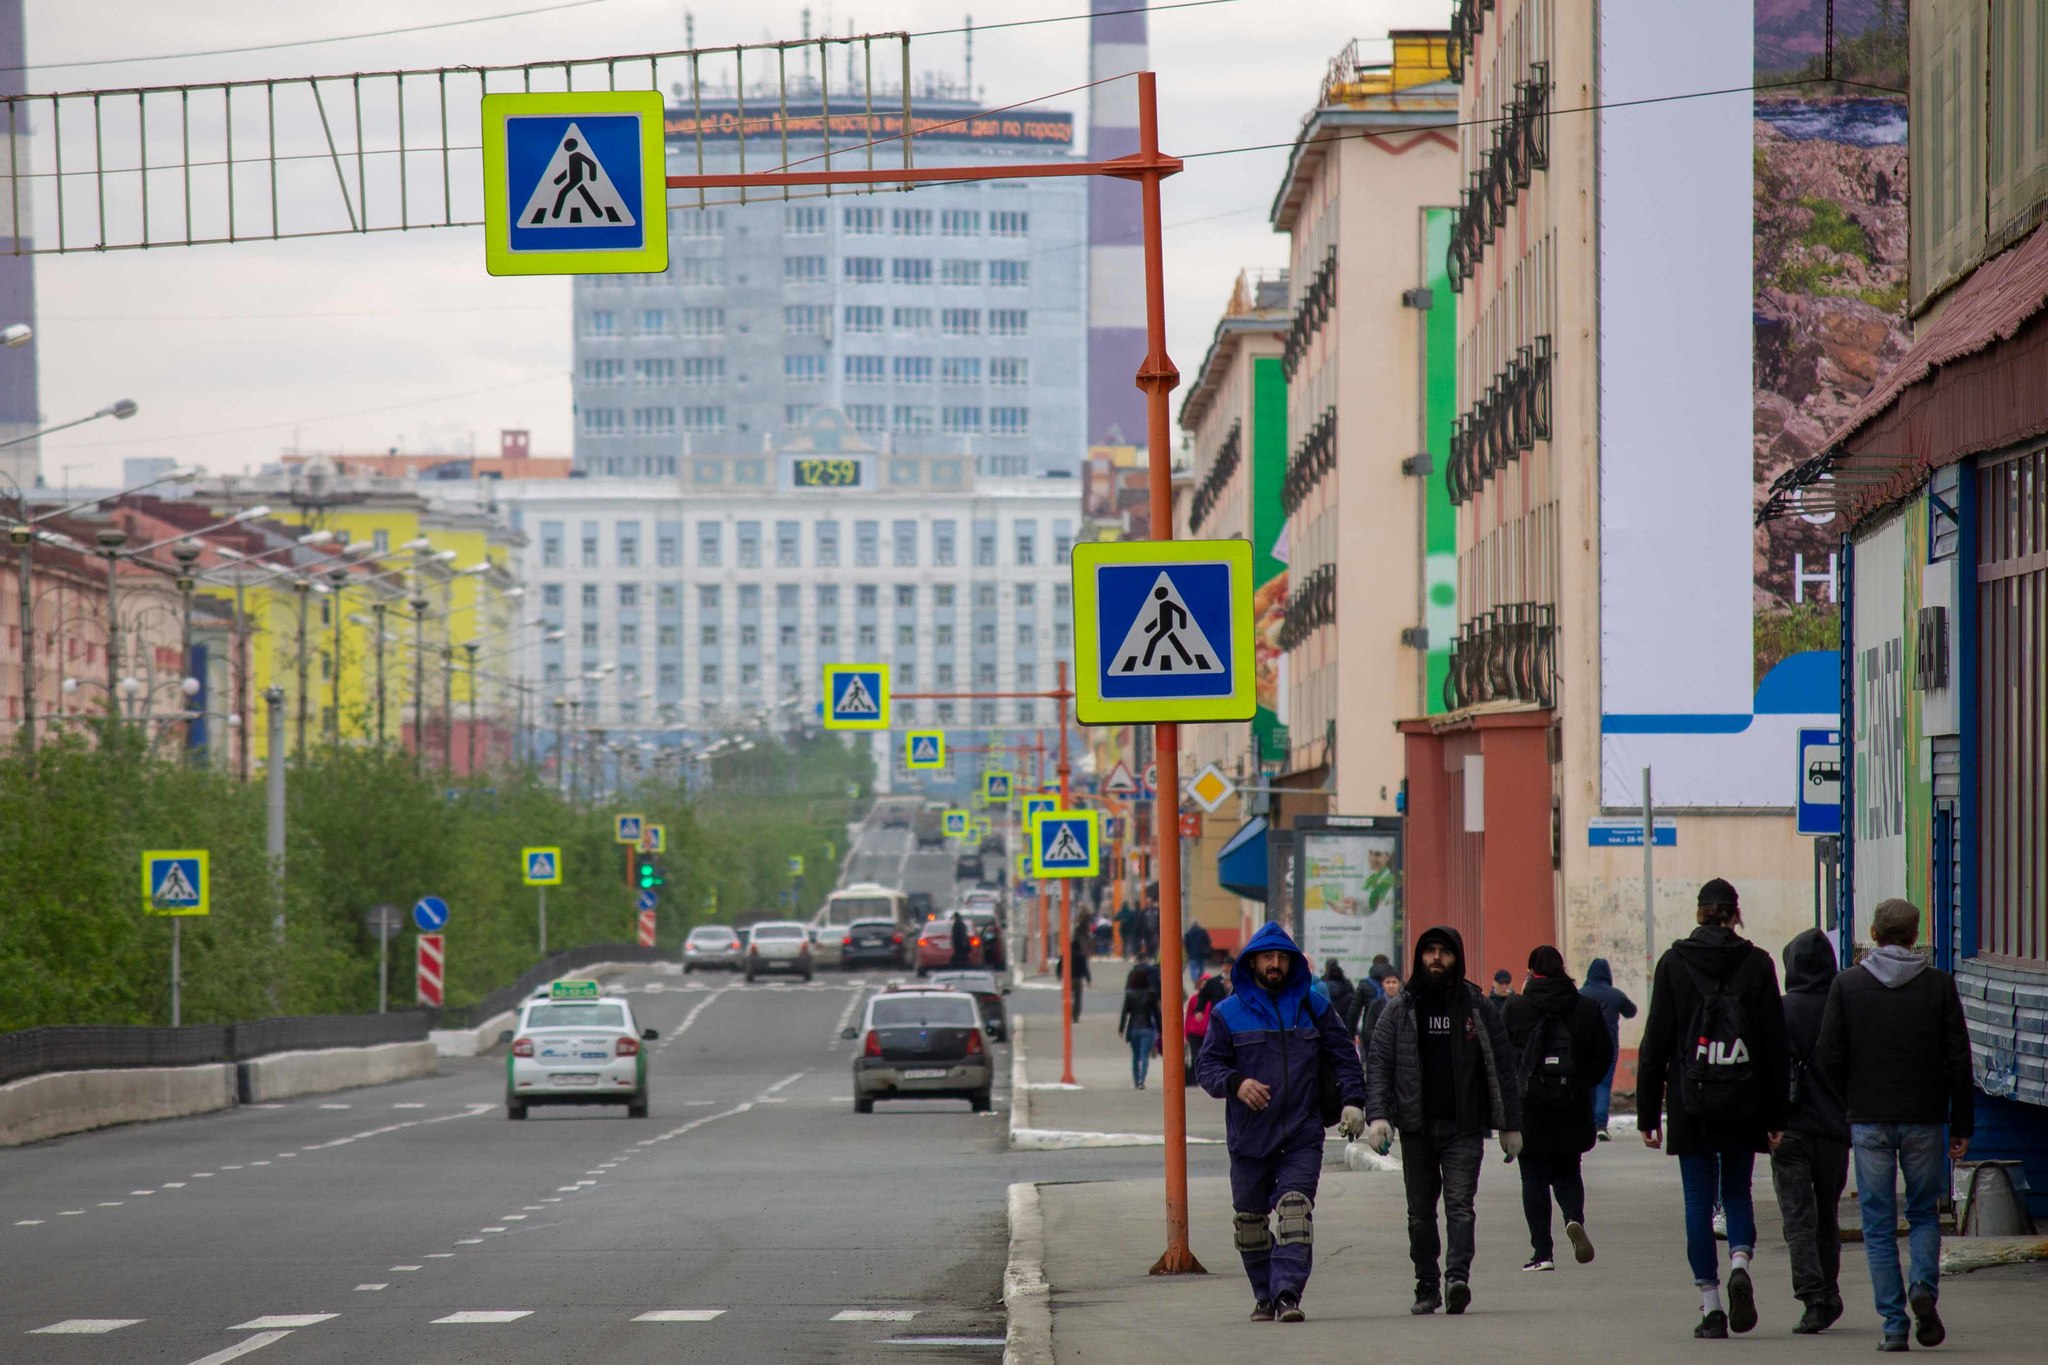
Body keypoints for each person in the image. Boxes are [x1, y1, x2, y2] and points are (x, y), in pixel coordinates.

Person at [1815, 899, 1974, 1353]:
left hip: (1869, 1121)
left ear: (1873, 933)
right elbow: (1959, 1059)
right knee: (1924, 1212)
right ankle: (1922, 1286)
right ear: (1915, 934)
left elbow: (1828, 1056)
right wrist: (1961, 1122)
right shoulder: (1939, 986)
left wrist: (1851, 1097)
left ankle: (1892, 1325)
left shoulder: (1847, 986)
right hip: (1925, 1118)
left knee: (1878, 1223)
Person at [1635, 879, 1788, 1341]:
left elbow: (1654, 1044)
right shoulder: (1759, 963)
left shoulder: (1674, 963)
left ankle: (1712, 1307)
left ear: (1700, 913)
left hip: (1691, 1100)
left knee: (1697, 1203)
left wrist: (1647, 1114)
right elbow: (1774, 1046)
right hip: (1743, 1099)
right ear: (1734, 914)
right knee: (1737, 1190)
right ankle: (1740, 1260)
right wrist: (1776, 1115)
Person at [1198, 922, 1368, 1323]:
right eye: (1268, 957)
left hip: (1302, 1134)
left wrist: (1354, 1103)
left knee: (1294, 1212)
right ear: (1252, 961)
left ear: (1292, 963)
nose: (1275, 964)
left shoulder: (1314, 1006)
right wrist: (1236, 1084)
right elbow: (1207, 1067)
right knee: (1251, 1225)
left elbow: (1345, 1056)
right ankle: (1264, 1295)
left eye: (1282, 958)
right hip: (1249, 1138)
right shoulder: (1228, 1013)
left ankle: (1288, 1294)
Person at [1362, 925, 1523, 1317]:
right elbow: (1380, 1063)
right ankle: (1426, 1284)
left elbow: (1502, 1063)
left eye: (1444, 952)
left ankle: (1456, 1278)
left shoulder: (1477, 1006)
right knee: (1419, 1213)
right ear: (1419, 958)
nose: (1436, 958)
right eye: (1429, 951)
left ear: (1457, 958)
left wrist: (1510, 1124)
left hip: (1464, 1126)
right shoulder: (1401, 1007)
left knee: (1460, 1206)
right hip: (1416, 1127)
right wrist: (1379, 1116)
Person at [1500, 945, 1613, 1273]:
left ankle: (1542, 1253)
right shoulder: (1585, 1007)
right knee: (1568, 1169)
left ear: (1531, 972)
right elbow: (1603, 1055)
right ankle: (1573, 1218)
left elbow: (1502, 1056)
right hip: (1572, 1104)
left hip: (1530, 1107)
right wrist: (1583, 1083)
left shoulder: (1516, 1007)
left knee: (1532, 1176)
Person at [1772, 929, 1851, 1336]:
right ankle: (1830, 1291)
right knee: (1827, 1217)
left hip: (1789, 1131)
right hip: (1834, 1130)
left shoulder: (1779, 1010)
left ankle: (1814, 1298)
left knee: (1798, 1218)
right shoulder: (1844, 1006)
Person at [1579, 957, 1638, 1140]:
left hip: (1585, 1045)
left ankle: (1587, 1122)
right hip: (1609, 1044)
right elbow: (1631, 1011)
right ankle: (1600, 1125)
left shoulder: (1582, 994)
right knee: (1604, 1083)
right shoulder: (1615, 995)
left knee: (1587, 1083)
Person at [1119, 959, 1163, 1090]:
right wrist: (1160, 1029)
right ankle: (1141, 1081)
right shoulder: (1151, 994)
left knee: (1135, 1056)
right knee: (1145, 1056)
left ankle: (1135, 1078)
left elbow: (1125, 1012)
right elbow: (1156, 1013)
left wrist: (1121, 1028)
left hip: (1133, 1029)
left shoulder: (1129, 994)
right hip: (1147, 1028)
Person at [1186, 973, 1225, 1085]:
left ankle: (1206, 1077)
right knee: (1195, 1056)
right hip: (1194, 1032)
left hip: (1208, 1032)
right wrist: (1186, 1033)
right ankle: (1195, 1079)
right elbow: (1189, 1015)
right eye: (1203, 983)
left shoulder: (1215, 999)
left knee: (1207, 1056)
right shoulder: (1195, 999)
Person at [1359, 974, 1402, 1056]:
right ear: (1383, 984)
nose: (1391, 986)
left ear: (1400, 984)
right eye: (1388, 982)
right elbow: (1368, 1031)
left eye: (1394, 982)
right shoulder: (1376, 1005)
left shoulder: (1405, 1004)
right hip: (1380, 1050)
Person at [1321, 961, 1361, 1038]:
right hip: (1344, 1019)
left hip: (1328, 1020)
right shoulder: (1347, 983)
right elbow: (1354, 1002)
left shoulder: (1322, 983)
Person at [1067, 917, 1092, 1021]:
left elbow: (1060, 965)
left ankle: (1068, 1013)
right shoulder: (1082, 956)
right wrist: (1089, 980)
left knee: (1068, 998)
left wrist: (1059, 974)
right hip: (1078, 979)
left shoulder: (1067, 955)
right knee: (1078, 998)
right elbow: (1085, 968)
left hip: (1069, 979)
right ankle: (1076, 1015)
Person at [1183, 918, 1213, 988]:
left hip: (1192, 954)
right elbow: (1208, 942)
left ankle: (1195, 980)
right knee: (1201, 968)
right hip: (1202, 954)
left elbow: (1186, 945)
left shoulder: (1188, 933)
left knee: (1193, 968)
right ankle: (1200, 981)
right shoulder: (1203, 932)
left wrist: (1188, 952)